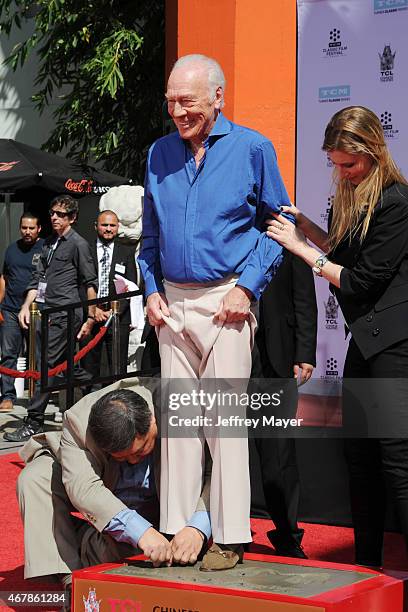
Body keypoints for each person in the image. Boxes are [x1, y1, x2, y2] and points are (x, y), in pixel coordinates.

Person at [139, 54, 291, 570]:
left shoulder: (253, 148)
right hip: (172, 304)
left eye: (188, 102)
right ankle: (177, 530)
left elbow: (278, 228)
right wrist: (151, 292)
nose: (178, 112)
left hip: (229, 299)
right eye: (171, 102)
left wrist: (247, 290)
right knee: (181, 426)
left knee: (224, 424)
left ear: (217, 98)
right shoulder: (158, 153)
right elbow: (150, 239)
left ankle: (228, 535)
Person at [266, 105, 408, 568]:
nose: (342, 172)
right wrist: (307, 227)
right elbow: (346, 254)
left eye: (349, 163)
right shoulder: (358, 198)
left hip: (394, 345)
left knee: (395, 462)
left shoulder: (395, 203)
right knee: (359, 460)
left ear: (372, 151)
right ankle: (369, 568)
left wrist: (300, 249)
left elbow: (361, 281)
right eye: (335, 163)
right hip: (365, 341)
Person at [17, 380, 211, 609]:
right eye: (121, 457)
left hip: (161, 512)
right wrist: (141, 532)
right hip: (117, 502)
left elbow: (217, 472)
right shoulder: (79, 421)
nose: (132, 461)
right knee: (34, 478)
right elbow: (84, 487)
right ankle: (71, 579)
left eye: (140, 451)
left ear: (151, 420)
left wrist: (197, 529)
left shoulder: (180, 408)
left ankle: (86, 545)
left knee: (131, 553)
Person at [4, 195, 97, 443]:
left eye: (61, 214)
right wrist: (26, 306)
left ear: (72, 218)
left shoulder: (78, 244)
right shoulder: (48, 243)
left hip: (66, 314)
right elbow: (38, 279)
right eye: (53, 212)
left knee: (46, 365)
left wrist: (90, 316)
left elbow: (90, 282)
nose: (55, 217)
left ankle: (34, 420)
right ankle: (99, 391)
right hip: (47, 311)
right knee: (67, 367)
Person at [250, 251, 317, 558]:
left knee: (279, 452)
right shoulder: (225, 229)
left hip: (276, 357)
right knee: (224, 449)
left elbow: (304, 297)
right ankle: (228, 529)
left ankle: (288, 535)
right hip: (227, 355)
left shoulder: (287, 238)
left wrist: (304, 351)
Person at [81, 210, 138, 390]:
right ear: (96, 226)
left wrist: (115, 310)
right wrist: (92, 310)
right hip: (90, 315)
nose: (108, 229)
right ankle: (87, 407)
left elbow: (131, 285)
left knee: (117, 367)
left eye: (112, 225)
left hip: (118, 317)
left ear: (117, 227)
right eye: (104, 225)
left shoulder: (126, 252)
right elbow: (78, 282)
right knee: (88, 366)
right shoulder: (85, 249)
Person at [0, 213, 44, 412]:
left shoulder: (45, 248)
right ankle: (7, 396)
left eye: (31, 228)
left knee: (38, 354)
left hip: (35, 311)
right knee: (8, 354)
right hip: (10, 309)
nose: (27, 232)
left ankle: (37, 395)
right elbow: (4, 277)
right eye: (24, 228)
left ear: (39, 229)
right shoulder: (11, 249)